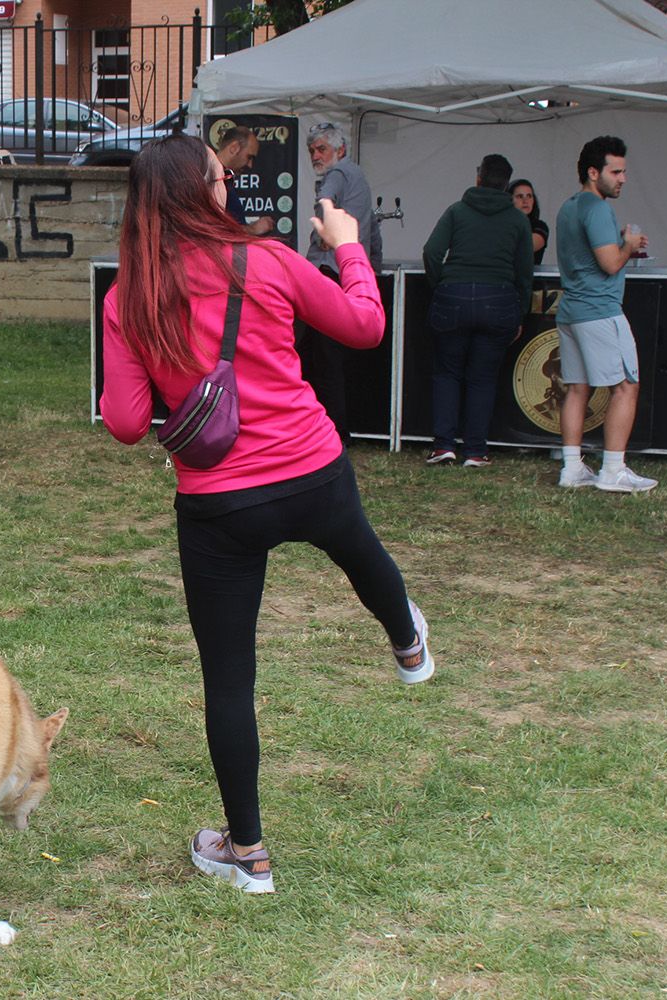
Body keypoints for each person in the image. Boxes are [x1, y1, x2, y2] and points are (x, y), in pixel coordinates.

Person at [100, 135, 434, 896]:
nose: (231, 187)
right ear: (205, 191)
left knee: (229, 679)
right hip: (312, 468)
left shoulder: (131, 295)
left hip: (218, 501)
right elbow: (364, 325)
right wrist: (349, 247)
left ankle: (248, 856)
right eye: (223, 177)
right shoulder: (271, 259)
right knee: (360, 551)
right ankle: (408, 644)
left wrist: (167, 384)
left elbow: (122, 421)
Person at [553, 135, 656, 492]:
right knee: (626, 386)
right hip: (599, 310)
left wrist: (622, 245)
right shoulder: (597, 209)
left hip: (571, 311)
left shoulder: (568, 206)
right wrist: (627, 244)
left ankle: (572, 468)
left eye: (624, 171)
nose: (623, 178)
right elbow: (610, 262)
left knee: (577, 389)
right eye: (616, 171)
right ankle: (613, 470)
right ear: (593, 173)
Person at [421, 153, 534, 467]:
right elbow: (525, 271)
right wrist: (520, 312)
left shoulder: (457, 211)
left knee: (447, 373)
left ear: (478, 177)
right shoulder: (518, 220)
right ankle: (475, 450)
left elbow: (432, 251)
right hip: (499, 302)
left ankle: (444, 445)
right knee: (482, 378)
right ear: (506, 184)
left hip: (452, 298)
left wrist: (442, 284)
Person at [298, 122, 384, 443]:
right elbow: (373, 232)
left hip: (326, 272)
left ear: (340, 149)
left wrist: (324, 228)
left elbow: (324, 201)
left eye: (321, 149)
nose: (316, 156)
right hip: (347, 274)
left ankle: (329, 430)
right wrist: (369, 272)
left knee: (317, 357)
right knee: (331, 358)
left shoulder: (337, 175)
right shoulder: (360, 179)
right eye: (312, 151)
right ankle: (336, 429)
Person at [213, 126, 274, 236]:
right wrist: (252, 229)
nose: (250, 165)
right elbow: (212, 229)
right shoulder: (211, 180)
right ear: (234, 148)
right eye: (249, 157)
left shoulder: (225, 179)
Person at [508, 179, 548, 265]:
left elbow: (527, 246)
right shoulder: (503, 224)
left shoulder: (539, 226)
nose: (525, 201)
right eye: (519, 196)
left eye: (529, 196)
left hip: (530, 277)